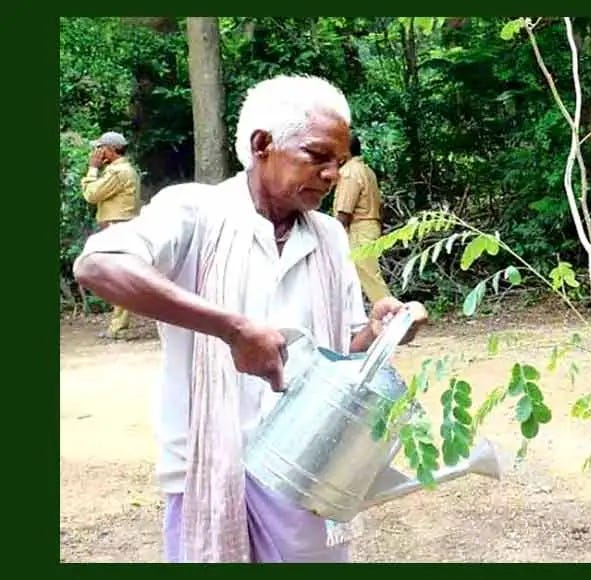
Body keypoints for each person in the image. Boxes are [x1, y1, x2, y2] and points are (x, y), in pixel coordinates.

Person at [73, 74, 428, 563]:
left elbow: (339, 349)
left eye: (339, 163)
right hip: (208, 470)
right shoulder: (195, 211)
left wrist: (377, 330)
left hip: (304, 470)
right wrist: (232, 329)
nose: (332, 174)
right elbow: (99, 265)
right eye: (318, 157)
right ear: (263, 145)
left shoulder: (327, 236)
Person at [80, 131, 142, 339]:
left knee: (119, 277)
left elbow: (91, 194)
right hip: (118, 227)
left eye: (101, 148)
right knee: (119, 276)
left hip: (118, 228)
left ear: (111, 150)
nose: (97, 152)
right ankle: (117, 325)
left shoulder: (118, 172)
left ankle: (119, 327)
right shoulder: (122, 170)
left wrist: (93, 168)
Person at [332, 134, 392, 303]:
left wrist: (332, 236)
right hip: (371, 226)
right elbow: (381, 205)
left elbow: (344, 211)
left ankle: (394, 314)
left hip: (358, 229)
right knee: (357, 276)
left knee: (370, 276)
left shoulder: (349, 172)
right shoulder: (367, 171)